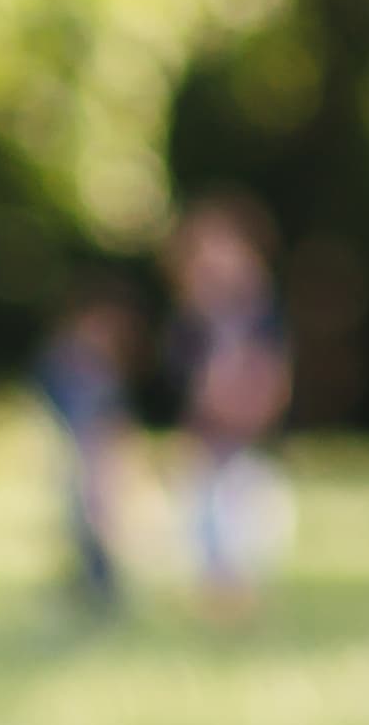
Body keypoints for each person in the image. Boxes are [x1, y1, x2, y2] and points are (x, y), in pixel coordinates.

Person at [161, 190, 295, 618]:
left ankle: (239, 604)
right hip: (205, 444)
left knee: (245, 529)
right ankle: (218, 604)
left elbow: (273, 382)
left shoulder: (262, 318)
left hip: (250, 445)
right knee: (204, 531)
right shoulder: (191, 324)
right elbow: (191, 387)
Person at [33, 280, 140, 615]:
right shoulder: (66, 365)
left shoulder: (103, 370)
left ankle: (101, 593)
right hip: (76, 458)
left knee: (100, 527)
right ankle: (88, 590)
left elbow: (114, 421)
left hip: (98, 459)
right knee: (82, 526)